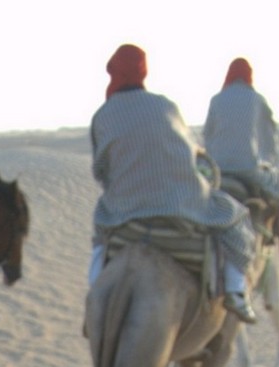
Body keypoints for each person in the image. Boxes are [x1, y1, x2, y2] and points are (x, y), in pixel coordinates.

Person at [89, 44, 259, 323]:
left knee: (99, 238)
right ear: (143, 71)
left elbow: (101, 171)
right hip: (182, 206)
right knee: (237, 218)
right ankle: (236, 291)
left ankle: (94, 295)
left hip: (124, 213)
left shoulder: (102, 116)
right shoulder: (166, 107)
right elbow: (193, 153)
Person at [203, 57, 279, 283]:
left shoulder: (216, 100)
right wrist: (267, 162)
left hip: (218, 171)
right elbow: (269, 140)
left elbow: (208, 136)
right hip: (249, 170)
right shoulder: (258, 100)